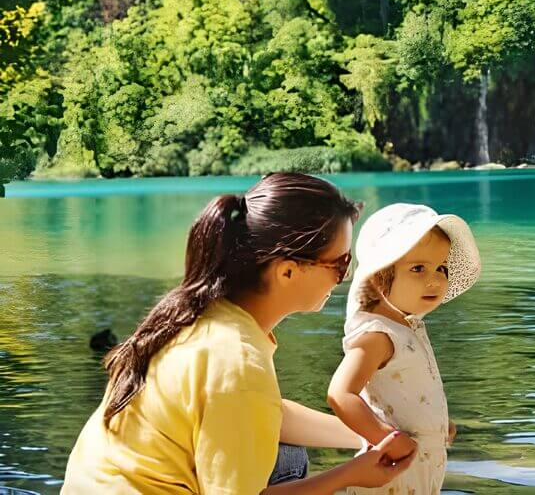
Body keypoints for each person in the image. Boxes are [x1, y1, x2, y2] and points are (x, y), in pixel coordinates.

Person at [63, 172, 415, 494]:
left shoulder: (196, 313)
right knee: (289, 461)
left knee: (285, 454)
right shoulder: (237, 361)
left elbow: (267, 414)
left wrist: (377, 433)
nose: (346, 276)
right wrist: (350, 474)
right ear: (287, 271)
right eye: (340, 264)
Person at [327, 203, 481, 495]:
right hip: (391, 472)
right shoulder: (377, 335)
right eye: (418, 269)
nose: (435, 279)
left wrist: (437, 421)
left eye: (442, 268)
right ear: (379, 277)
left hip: (419, 468)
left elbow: (408, 391)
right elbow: (340, 393)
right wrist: (388, 437)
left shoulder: (408, 327)